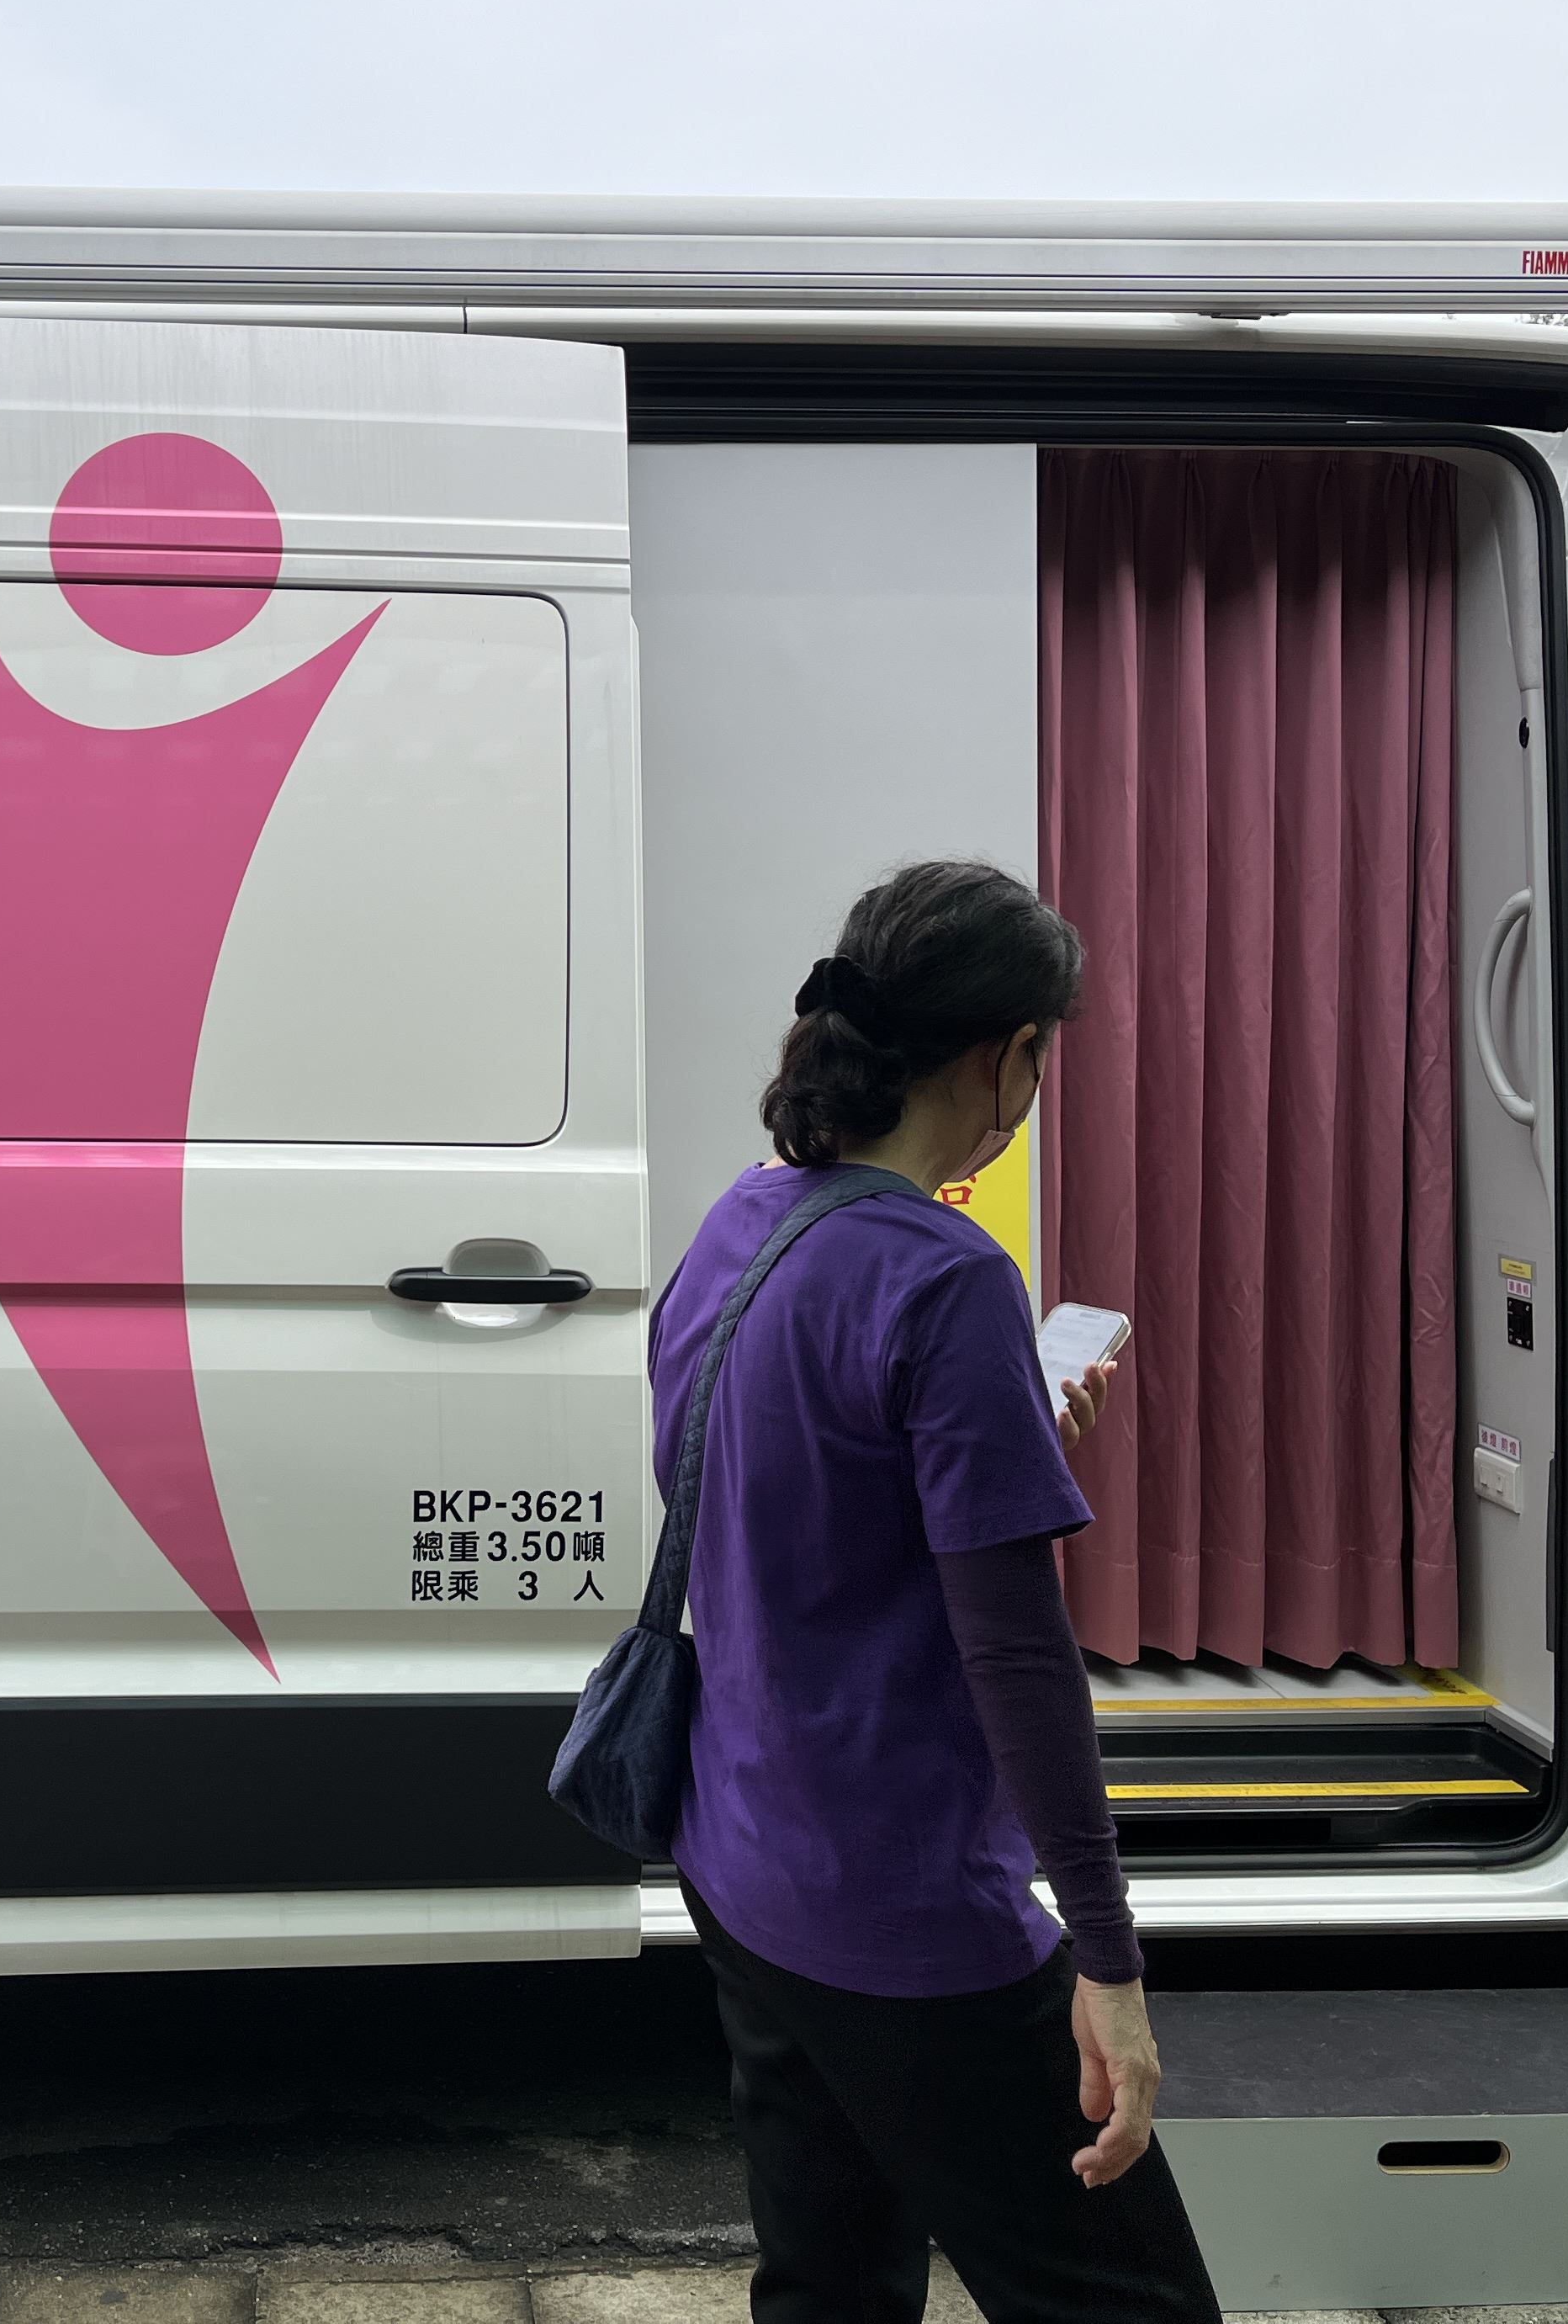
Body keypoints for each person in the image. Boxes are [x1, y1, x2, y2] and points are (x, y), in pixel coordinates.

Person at [658, 860, 1219, 2324]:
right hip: (903, 1912)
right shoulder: (947, 1277)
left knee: (832, 2290)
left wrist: (998, 1434)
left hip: (743, 1861)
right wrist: (1109, 1965)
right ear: (1007, 1056)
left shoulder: (740, 1223)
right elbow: (1018, 1654)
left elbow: (776, 1503)